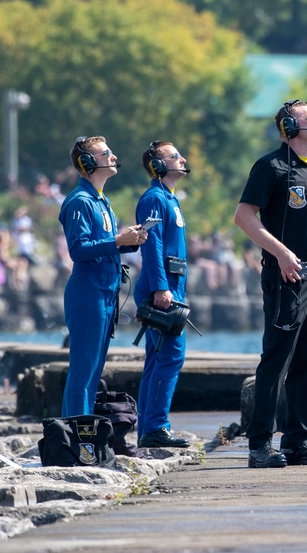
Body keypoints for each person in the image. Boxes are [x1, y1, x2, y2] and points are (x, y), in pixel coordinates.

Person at [233, 100, 307, 469]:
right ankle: (260, 445)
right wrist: (280, 253)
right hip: (288, 277)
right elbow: (244, 217)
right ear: (290, 128)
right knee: (276, 360)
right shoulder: (270, 167)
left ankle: (298, 440)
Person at [59, 136, 148, 417]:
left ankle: (83, 435)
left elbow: (107, 245)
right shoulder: (80, 202)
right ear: (87, 163)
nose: (112, 156)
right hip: (88, 293)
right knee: (83, 370)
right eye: (105, 153)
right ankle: (75, 434)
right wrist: (118, 241)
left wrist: (130, 240)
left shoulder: (101, 201)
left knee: (94, 369)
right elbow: (78, 249)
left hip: (106, 294)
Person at [133, 141, 192, 448]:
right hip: (162, 289)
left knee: (157, 359)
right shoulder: (155, 198)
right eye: (173, 157)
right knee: (170, 357)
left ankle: (149, 427)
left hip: (172, 286)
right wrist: (160, 287)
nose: (182, 159)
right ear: (157, 166)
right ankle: (155, 427)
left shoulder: (170, 198)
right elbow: (151, 244)